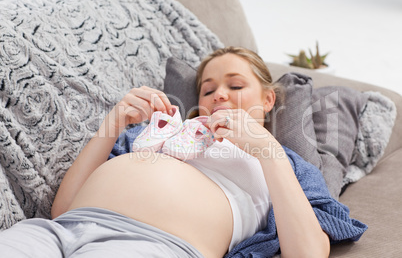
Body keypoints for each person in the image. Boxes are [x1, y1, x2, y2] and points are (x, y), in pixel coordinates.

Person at [0, 46, 352, 258]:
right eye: (208, 88)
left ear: (268, 99)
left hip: (150, 245)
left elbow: (307, 253)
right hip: (57, 231)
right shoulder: (157, 132)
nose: (218, 95)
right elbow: (62, 208)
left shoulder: (284, 162)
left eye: (235, 85)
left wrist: (267, 150)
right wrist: (113, 124)